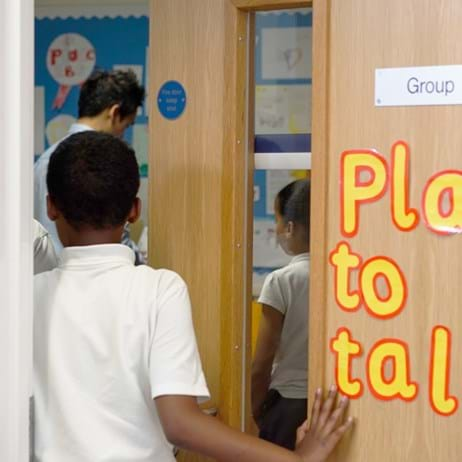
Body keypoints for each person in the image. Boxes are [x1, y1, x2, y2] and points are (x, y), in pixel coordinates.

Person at [34, 132, 353, 462]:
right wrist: (296, 459)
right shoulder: (159, 289)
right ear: (134, 210)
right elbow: (181, 424)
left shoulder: (27, 296)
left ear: (51, 206)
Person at [34, 68, 145, 262]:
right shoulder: (60, 164)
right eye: (126, 125)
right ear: (115, 112)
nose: (123, 134)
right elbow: (53, 248)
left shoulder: (46, 161)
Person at [251, 179, 311, 450]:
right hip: (331, 403)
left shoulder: (282, 280)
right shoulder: (344, 275)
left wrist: (253, 411)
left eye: (277, 220)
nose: (275, 230)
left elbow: (262, 362)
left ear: (290, 227)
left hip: (288, 404)